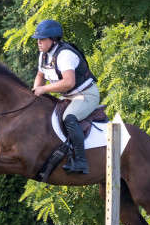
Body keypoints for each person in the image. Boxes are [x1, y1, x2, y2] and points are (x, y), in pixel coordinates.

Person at [31, 19, 99, 174]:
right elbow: (39, 75)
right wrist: (36, 89)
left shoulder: (65, 55)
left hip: (85, 94)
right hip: (68, 96)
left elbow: (69, 82)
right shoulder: (44, 55)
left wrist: (44, 89)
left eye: (42, 39)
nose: (39, 42)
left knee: (69, 117)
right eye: (38, 39)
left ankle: (81, 161)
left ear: (53, 40)